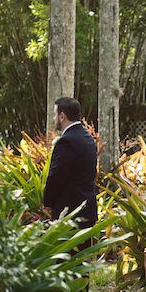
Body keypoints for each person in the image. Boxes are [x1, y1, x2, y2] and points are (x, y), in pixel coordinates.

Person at [43, 97, 97, 233]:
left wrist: (48, 202)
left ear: (62, 116)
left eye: (55, 115)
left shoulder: (66, 141)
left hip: (70, 213)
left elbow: (57, 176)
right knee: (84, 254)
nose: (54, 119)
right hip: (87, 210)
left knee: (67, 254)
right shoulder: (88, 138)